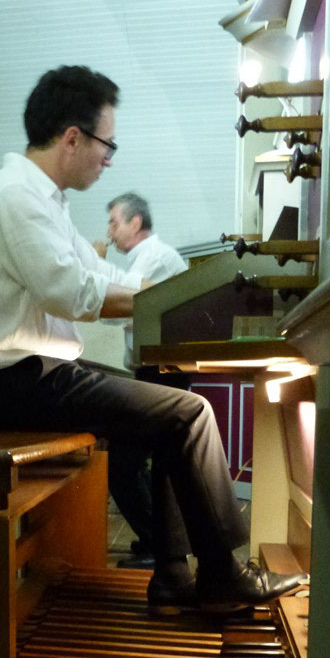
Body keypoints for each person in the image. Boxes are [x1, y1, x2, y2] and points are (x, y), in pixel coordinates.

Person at [0, 64, 302, 612]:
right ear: (72, 137)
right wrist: (157, 298)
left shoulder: (43, 198)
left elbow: (99, 279)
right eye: (106, 144)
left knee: (167, 418)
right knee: (189, 412)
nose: (108, 158)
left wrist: (163, 293)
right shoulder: (14, 195)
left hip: (36, 376)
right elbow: (72, 291)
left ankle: (173, 573)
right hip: (15, 382)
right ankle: (221, 576)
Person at [94, 193, 186, 569]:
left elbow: (121, 302)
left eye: (115, 222)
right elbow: (111, 315)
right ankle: (157, 543)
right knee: (135, 465)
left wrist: (95, 263)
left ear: (135, 223)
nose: (110, 231)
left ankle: (159, 548)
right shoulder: (143, 260)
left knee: (122, 465)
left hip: (159, 373)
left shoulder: (154, 257)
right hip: (153, 372)